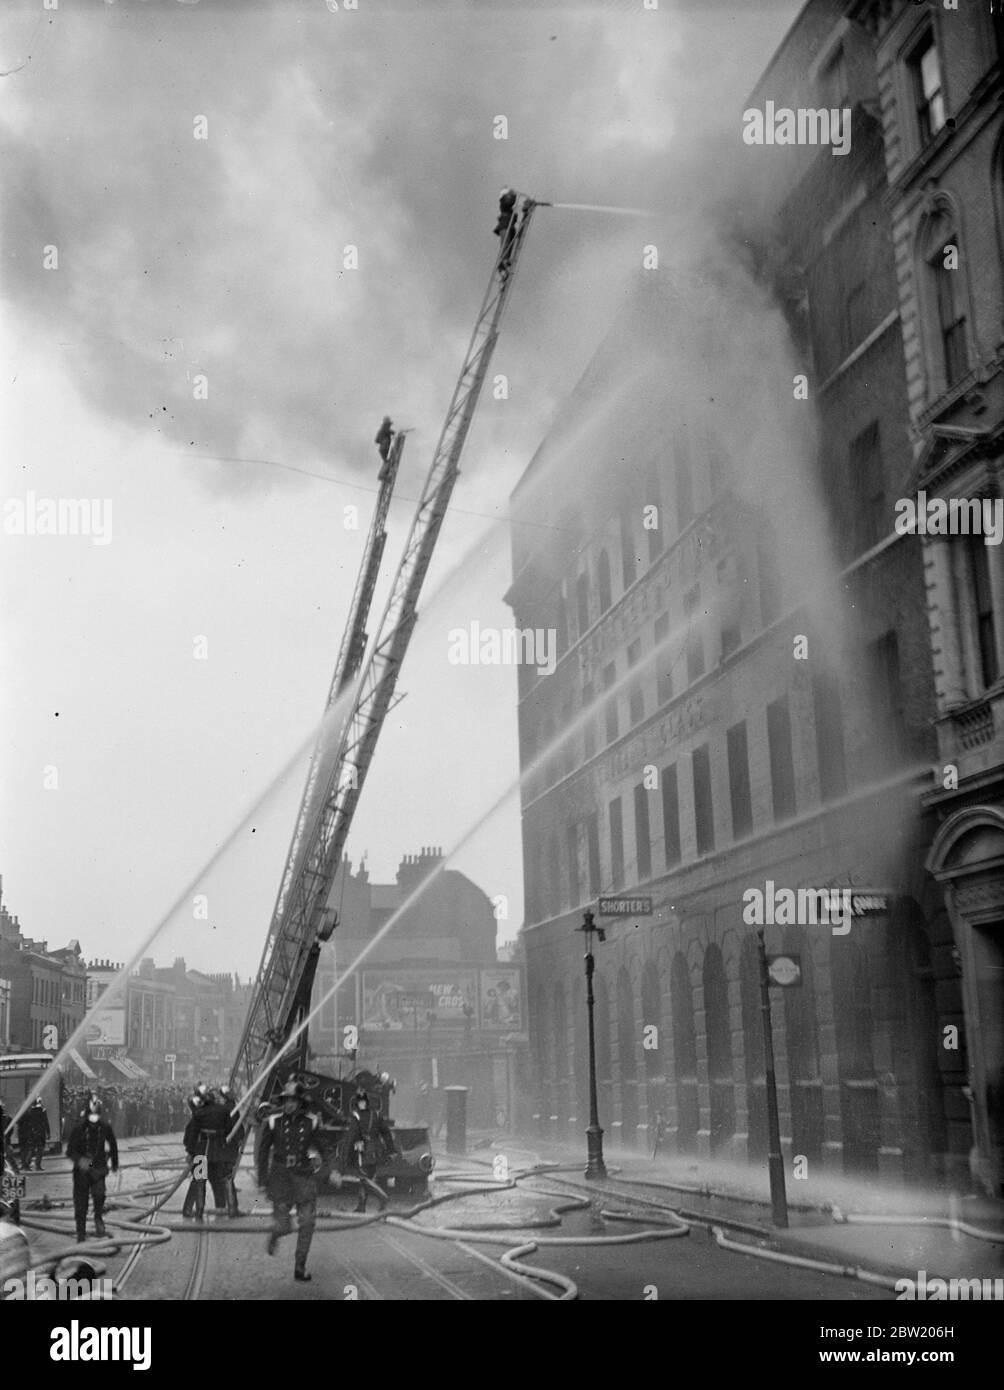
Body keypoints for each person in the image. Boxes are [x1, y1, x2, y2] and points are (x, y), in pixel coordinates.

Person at [257, 1080, 327, 1282]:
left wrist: (331, 1170)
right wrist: (263, 1180)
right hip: (280, 1178)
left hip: (303, 1176)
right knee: (284, 1226)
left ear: (300, 1102)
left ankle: (299, 1267)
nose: (289, 1104)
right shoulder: (273, 1121)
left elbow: (325, 1149)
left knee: (307, 1222)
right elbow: (262, 1153)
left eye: (293, 1101)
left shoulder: (311, 1121)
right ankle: (275, 1235)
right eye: (286, 1100)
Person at [66, 1097, 118, 1243]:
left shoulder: (105, 1127)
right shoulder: (79, 1128)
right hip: (82, 1172)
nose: (94, 1121)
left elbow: (113, 1144)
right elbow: (70, 1151)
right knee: (81, 1203)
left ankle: (98, 1216)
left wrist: (114, 1162)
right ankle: (80, 1232)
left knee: (100, 1194)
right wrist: (81, 1160)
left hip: (98, 1169)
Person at [339, 1088, 394, 1213]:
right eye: (360, 1101)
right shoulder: (377, 1114)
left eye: (362, 1101)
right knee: (366, 1177)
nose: (361, 1103)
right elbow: (386, 1133)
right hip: (375, 1149)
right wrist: (391, 1149)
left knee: (363, 1178)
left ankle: (382, 1198)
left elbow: (352, 1135)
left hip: (362, 1149)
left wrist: (346, 1154)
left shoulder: (356, 1116)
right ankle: (361, 1206)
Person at [185, 1088, 231, 1220]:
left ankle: (199, 1210)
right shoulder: (224, 1111)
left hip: (201, 1151)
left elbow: (193, 1134)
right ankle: (221, 1208)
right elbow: (228, 1130)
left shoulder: (199, 1113)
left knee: (199, 1181)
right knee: (219, 1182)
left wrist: (190, 1152)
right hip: (218, 1152)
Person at [18, 1099, 50, 1171]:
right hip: (40, 1133)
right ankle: (37, 1166)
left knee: (31, 1150)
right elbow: (46, 1122)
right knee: (40, 1149)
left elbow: (24, 1123)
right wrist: (48, 1133)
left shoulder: (28, 1112)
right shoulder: (42, 1110)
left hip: (31, 1133)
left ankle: (26, 1165)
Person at [494, 188, 518, 277]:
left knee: (510, 244)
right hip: (505, 226)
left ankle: (505, 262)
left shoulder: (507, 206)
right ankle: (502, 264)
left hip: (509, 226)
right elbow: (509, 201)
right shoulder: (503, 203)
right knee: (506, 244)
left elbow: (511, 201)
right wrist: (511, 194)